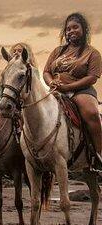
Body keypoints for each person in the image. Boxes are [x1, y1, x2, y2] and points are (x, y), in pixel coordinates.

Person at [43, 13, 102, 171]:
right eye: (68, 29)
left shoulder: (92, 53)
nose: (71, 31)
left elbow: (92, 77)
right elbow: (46, 71)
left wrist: (68, 87)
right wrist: (51, 82)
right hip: (56, 90)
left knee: (91, 113)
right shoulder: (57, 51)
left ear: (84, 29)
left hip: (81, 90)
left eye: (75, 27)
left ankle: (99, 154)